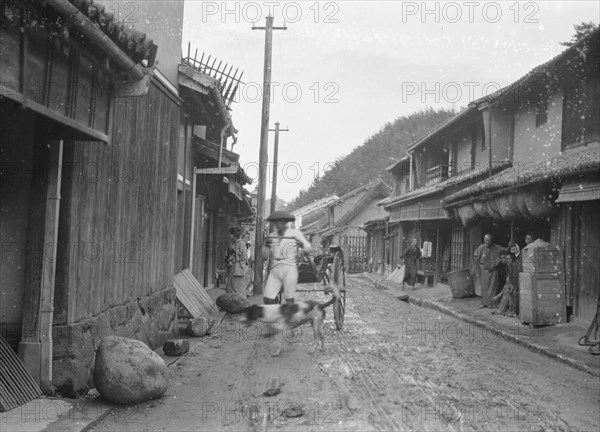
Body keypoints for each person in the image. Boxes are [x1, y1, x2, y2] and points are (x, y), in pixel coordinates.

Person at [262, 210, 313, 304]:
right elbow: (265, 256)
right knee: (267, 299)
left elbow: (307, 247)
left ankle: (290, 316)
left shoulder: (294, 233)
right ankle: (275, 316)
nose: (278, 224)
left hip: (289, 267)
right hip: (276, 268)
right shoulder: (272, 236)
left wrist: (303, 245)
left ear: (286, 222)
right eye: (276, 222)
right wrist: (266, 245)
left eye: (280, 221)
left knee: (289, 298)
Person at [473, 234, 503, 308]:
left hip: (493, 270)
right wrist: (481, 266)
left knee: (493, 287)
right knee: (484, 287)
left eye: (488, 240)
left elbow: (504, 250)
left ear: (492, 241)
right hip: (485, 270)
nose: (487, 242)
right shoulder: (481, 247)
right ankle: (484, 303)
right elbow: (476, 256)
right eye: (485, 240)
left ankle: (492, 303)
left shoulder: (496, 247)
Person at [225, 227, 247, 297]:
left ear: (233, 234)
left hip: (238, 267)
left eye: (230, 234)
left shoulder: (241, 243)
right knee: (230, 285)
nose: (229, 236)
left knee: (238, 286)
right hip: (232, 266)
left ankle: (240, 303)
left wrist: (235, 251)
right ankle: (230, 303)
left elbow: (244, 257)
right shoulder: (233, 243)